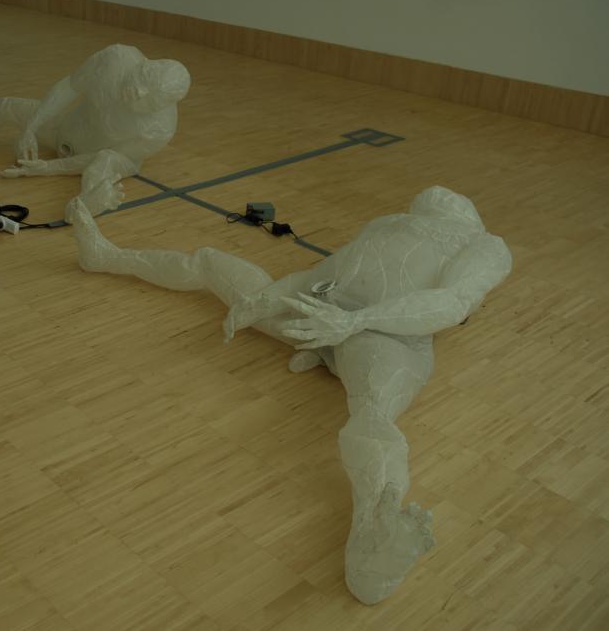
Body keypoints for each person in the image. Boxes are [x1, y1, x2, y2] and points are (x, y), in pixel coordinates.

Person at [65, 185, 512, 604]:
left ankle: (375, 535)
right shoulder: (389, 223)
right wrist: (266, 300)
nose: (437, 197)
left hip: (386, 337)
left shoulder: (486, 245)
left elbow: (452, 303)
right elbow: (323, 274)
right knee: (210, 263)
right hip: (322, 313)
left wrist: (355, 322)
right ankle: (105, 256)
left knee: (373, 414)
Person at [0, 44, 190, 215]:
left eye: (150, 99)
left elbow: (104, 157)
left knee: (103, 163)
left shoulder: (160, 129)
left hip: (101, 155)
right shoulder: (116, 59)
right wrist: (31, 128)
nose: (139, 93)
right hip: (65, 127)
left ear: (163, 106)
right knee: (5, 106)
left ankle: (84, 207)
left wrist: (48, 168)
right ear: (144, 65)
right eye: (142, 80)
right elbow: (69, 87)